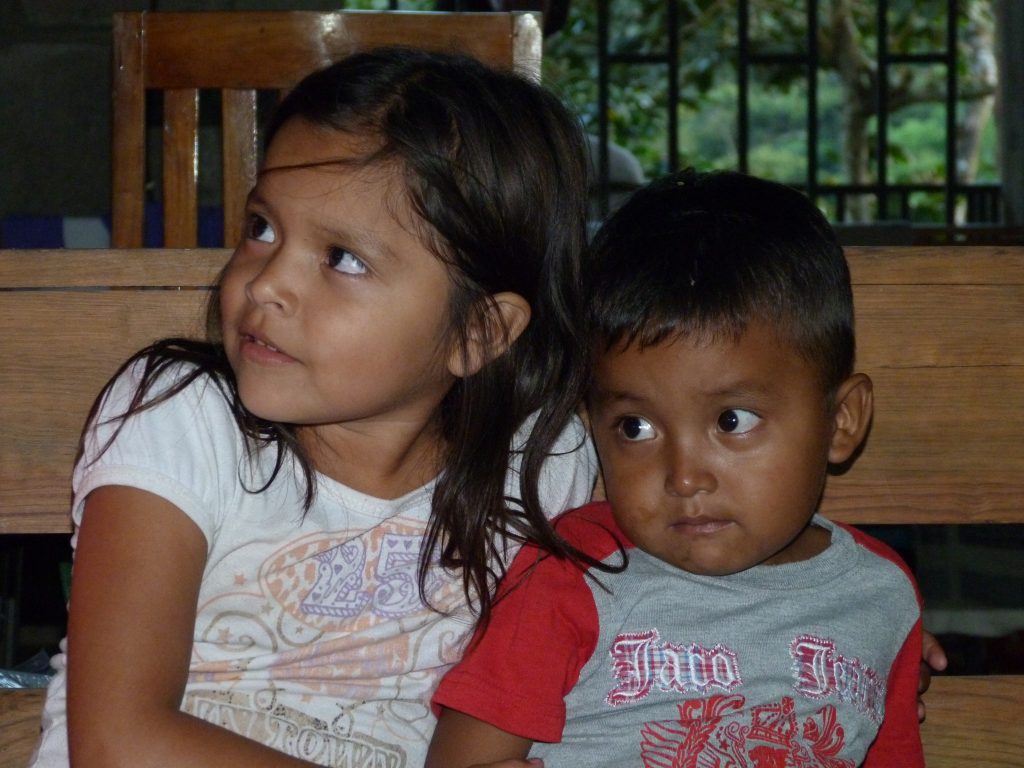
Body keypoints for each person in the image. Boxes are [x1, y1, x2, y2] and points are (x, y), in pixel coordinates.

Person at [29, 47, 600, 768]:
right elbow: (120, 742)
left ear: (477, 333)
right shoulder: (182, 418)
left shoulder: (543, 466)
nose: (267, 284)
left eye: (343, 259)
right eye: (262, 227)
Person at [428, 169, 925, 767]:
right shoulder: (576, 574)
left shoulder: (880, 596)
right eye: (635, 428)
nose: (684, 477)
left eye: (733, 421)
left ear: (842, 421)